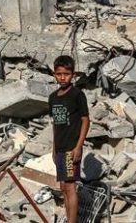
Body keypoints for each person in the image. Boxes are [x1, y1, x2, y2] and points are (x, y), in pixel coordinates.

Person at [49, 55, 90, 223]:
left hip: (71, 148)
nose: (62, 77)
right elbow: (55, 124)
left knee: (70, 187)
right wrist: (54, 149)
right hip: (60, 148)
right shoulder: (53, 97)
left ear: (73, 75)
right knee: (63, 187)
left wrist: (78, 147)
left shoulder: (77, 95)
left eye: (66, 74)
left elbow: (85, 120)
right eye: (59, 74)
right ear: (54, 74)